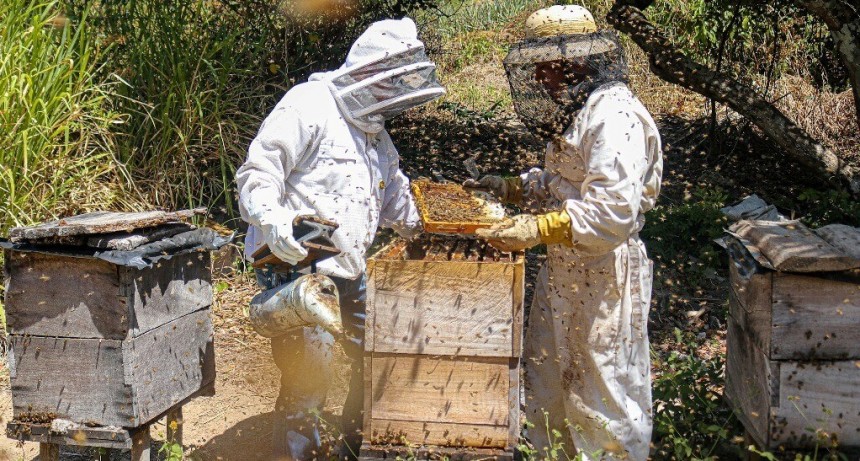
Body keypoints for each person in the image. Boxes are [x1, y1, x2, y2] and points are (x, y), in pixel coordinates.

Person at [236, 17, 444, 460]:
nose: (391, 99)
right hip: (297, 268)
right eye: (390, 86)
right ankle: (298, 453)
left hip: (350, 268)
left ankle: (354, 444)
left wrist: (437, 227)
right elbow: (258, 173)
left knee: (376, 359)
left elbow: (396, 201)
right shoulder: (307, 105)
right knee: (308, 377)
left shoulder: (376, 135)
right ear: (369, 75)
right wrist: (273, 220)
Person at [465, 5, 662, 460]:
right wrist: (515, 188)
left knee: (603, 392)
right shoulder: (582, 108)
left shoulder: (615, 116)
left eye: (544, 66)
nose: (539, 77)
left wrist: (538, 227)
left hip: (605, 273)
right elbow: (565, 185)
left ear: (570, 61)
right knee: (548, 378)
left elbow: (612, 213)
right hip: (566, 269)